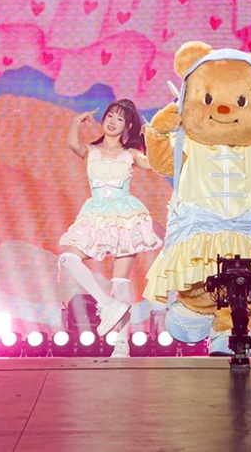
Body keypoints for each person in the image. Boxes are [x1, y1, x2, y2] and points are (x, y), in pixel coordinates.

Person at [58, 99, 162, 357]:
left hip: (125, 216)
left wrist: (154, 137)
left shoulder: (131, 154)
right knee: (69, 257)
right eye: (110, 116)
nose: (113, 122)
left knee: (121, 281)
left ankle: (122, 344)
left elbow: (152, 164)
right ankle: (105, 303)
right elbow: (72, 143)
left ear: (127, 126)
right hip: (95, 214)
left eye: (120, 118)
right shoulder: (91, 150)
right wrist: (76, 121)